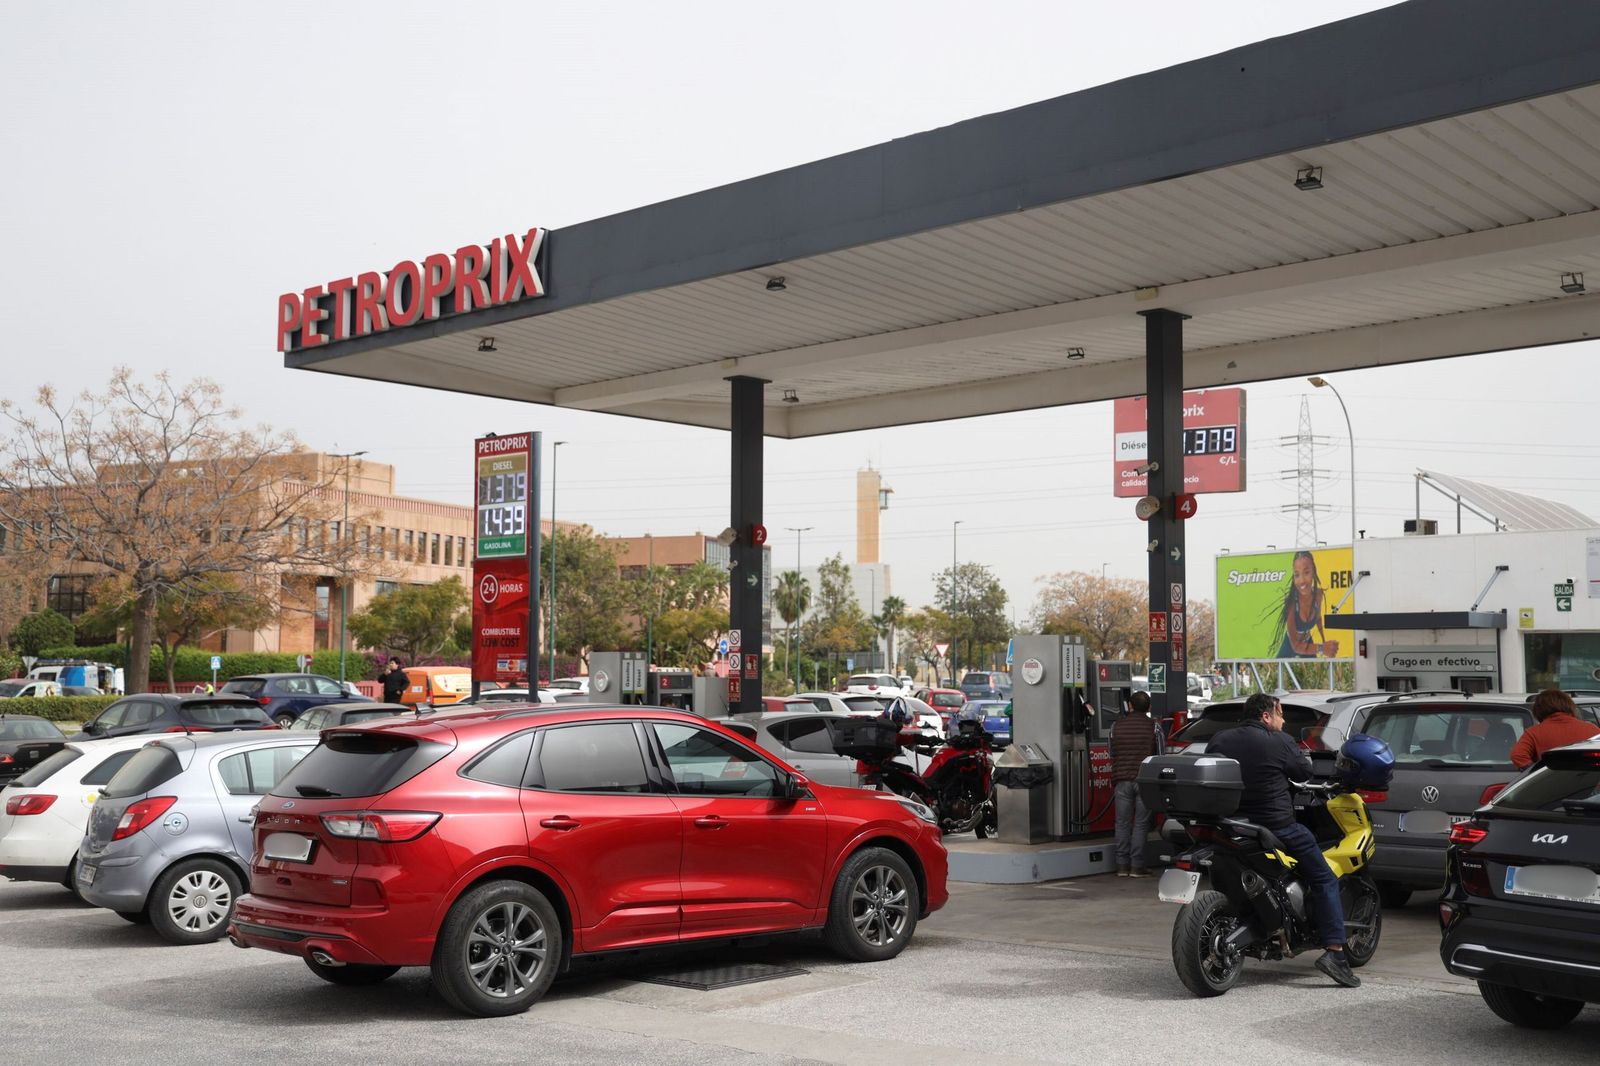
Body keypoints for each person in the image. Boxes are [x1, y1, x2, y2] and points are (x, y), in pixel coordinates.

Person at [1208, 693, 1360, 988]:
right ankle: (1336, 953)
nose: (1283, 720)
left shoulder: (1220, 739)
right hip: (1278, 826)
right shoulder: (1279, 741)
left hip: (1233, 824)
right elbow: (1304, 771)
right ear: (1266, 716)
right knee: (1324, 878)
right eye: (1280, 714)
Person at [1110, 690, 1164, 877]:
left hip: (1122, 779)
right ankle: (1136, 866)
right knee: (1141, 824)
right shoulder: (1154, 727)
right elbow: (1160, 756)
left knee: (1122, 823)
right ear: (1149, 707)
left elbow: (1112, 753)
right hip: (1144, 780)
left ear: (1130, 706)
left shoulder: (1116, 726)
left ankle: (1121, 865)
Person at [1269, 551, 1339, 658]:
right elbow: (1296, 646)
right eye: (1297, 575)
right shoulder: (1291, 603)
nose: (1301, 581)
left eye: (1306, 573)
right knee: (1279, 672)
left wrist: (1324, 640)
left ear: (1313, 572)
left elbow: (1318, 617)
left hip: (1308, 643)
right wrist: (1322, 648)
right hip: (1291, 646)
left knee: (1316, 673)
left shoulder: (1318, 595)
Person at [1511, 688, 1600, 769]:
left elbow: (1518, 755)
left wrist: (1536, 771)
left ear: (1538, 710)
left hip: (1551, 783)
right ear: (1569, 706)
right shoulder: (1592, 729)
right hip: (1588, 783)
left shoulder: (1534, 732)